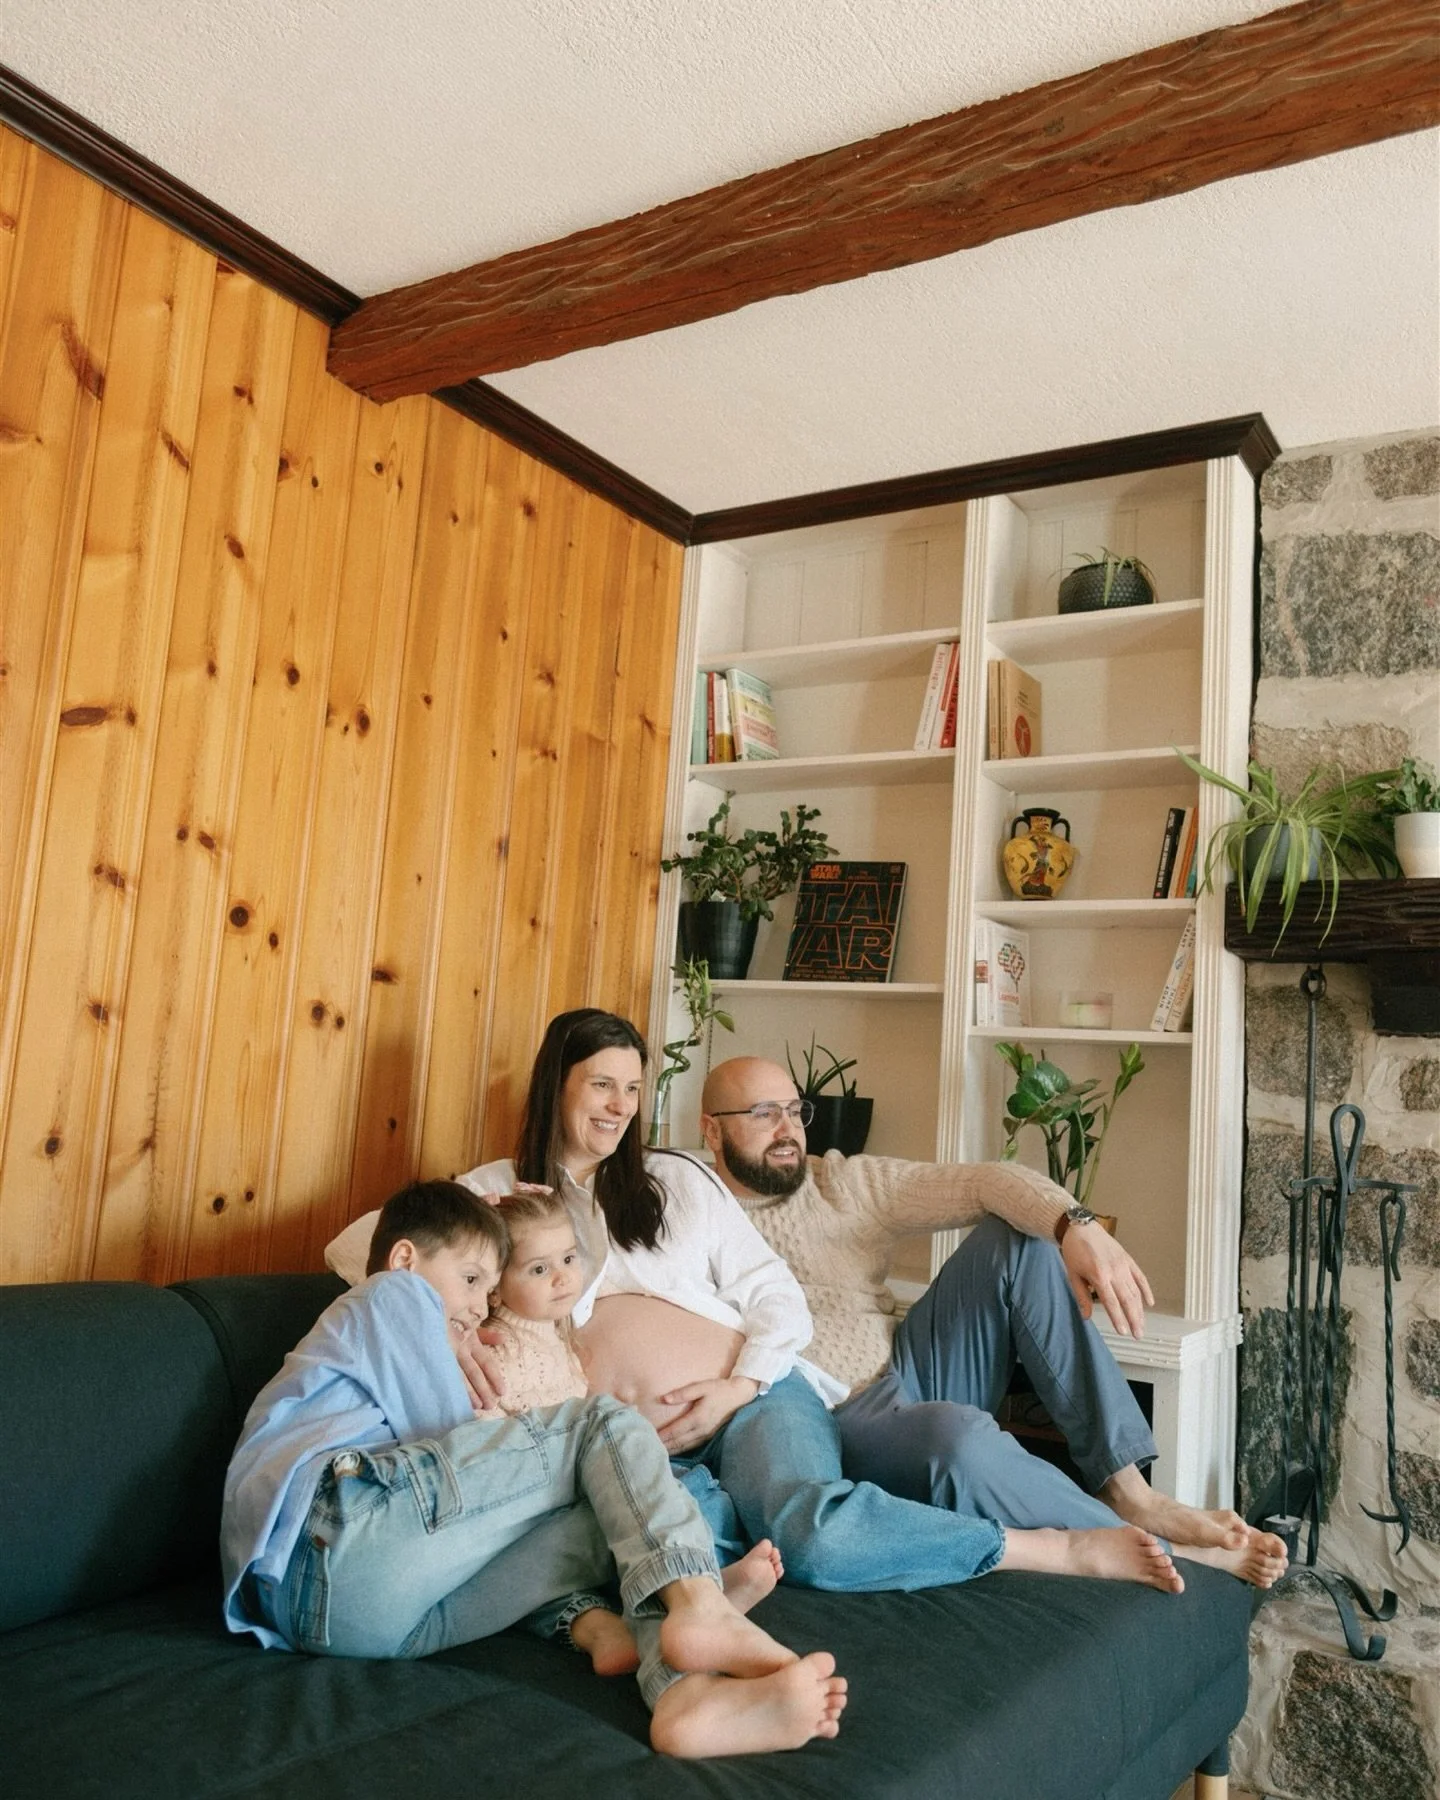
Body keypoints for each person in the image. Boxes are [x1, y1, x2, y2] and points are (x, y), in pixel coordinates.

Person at [327, 1010, 1198, 1601]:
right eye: (602, 1086)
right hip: (648, 1443)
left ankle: (1112, 1513)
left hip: (759, 1399)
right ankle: (1063, 1541)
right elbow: (359, 1245)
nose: (620, 1107)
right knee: (774, 1537)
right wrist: (439, 1317)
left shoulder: (670, 1178)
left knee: (817, 1516)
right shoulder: (494, 1196)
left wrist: (738, 1387)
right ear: (558, 1085)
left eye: (633, 1089)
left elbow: (776, 1299)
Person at [225, 1178, 848, 1758]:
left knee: (610, 1514)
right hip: (330, 1532)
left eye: (490, 1288)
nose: (478, 1307)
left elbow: (456, 1479)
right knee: (600, 1422)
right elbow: (444, 1437)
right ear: (407, 1259)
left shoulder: (417, 1329)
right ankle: (699, 1599)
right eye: (471, 1280)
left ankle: (681, 1690)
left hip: (345, 1623)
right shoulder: (388, 1296)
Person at [697, 1055, 1287, 1586]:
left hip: (908, 1366)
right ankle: (1152, 1548)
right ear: (713, 1130)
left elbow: (986, 1179)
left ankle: (1131, 1492)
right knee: (958, 1440)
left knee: (1019, 1240)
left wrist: (1075, 1225)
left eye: (796, 1111)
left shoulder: (841, 1181)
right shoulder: (688, 1208)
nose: (788, 1130)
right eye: (763, 1113)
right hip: (830, 1417)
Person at [475, 1185, 788, 1676]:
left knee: (693, 1496)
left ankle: (664, 1611)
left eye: (569, 1259)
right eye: (539, 1269)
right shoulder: (493, 1351)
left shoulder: (557, 1333)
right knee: (528, 1571)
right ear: (493, 1285)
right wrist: (474, 1208)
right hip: (537, 1508)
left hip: (581, 1493)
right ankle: (671, 1610)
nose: (562, 1278)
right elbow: (489, 1452)